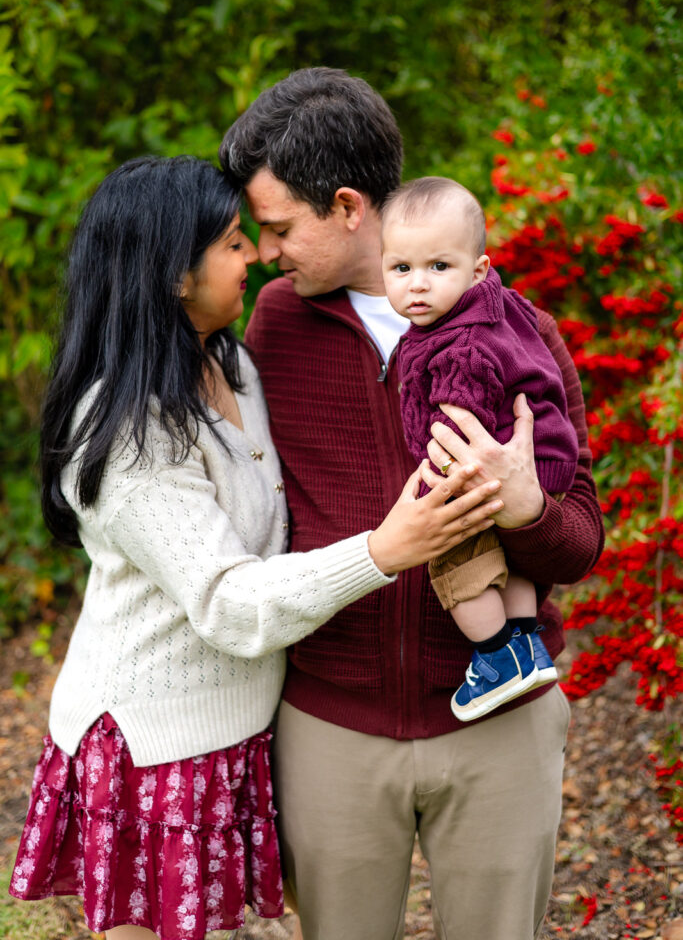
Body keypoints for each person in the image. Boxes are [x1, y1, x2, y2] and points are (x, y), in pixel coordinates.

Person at [9, 155, 501, 940]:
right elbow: (227, 602)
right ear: (174, 274)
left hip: (238, 727)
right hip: (152, 744)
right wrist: (383, 550)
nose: (258, 256)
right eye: (235, 242)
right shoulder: (129, 429)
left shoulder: (227, 361)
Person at [220, 67, 605, 940]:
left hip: (499, 727)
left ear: (348, 207)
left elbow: (580, 545)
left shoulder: (518, 331)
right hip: (330, 726)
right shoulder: (273, 326)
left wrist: (524, 509)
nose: (267, 253)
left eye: (279, 228)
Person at [382, 175, 580, 722]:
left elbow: (456, 429)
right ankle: (525, 644)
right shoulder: (500, 308)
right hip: (543, 459)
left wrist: (434, 492)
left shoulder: (457, 345)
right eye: (401, 269)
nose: (417, 285)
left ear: (478, 269)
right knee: (509, 551)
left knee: (455, 555)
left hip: (492, 465)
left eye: (437, 267)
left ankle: (495, 659)